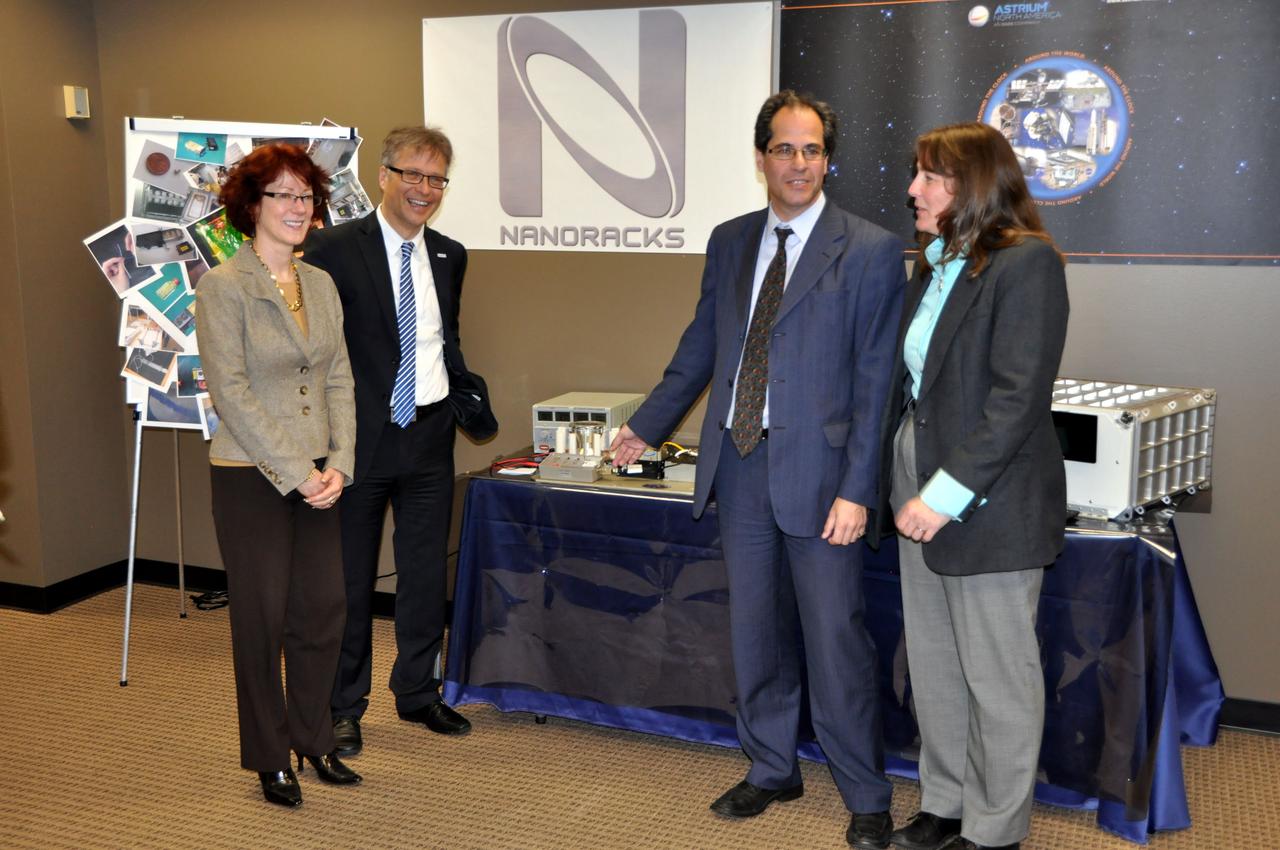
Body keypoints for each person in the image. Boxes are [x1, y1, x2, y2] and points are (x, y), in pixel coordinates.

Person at [610, 90, 905, 849]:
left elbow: (879, 385)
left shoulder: (869, 249)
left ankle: (866, 794)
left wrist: (857, 489)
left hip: (823, 478)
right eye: (784, 148)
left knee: (836, 639)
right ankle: (772, 766)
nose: (798, 163)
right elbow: (701, 347)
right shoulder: (731, 240)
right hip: (739, 464)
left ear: (828, 160)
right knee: (756, 633)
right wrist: (645, 427)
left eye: (811, 150)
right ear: (762, 156)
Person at [876, 122, 1069, 850]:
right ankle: (945, 804)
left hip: (983, 498)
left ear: (974, 185)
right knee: (935, 662)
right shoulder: (933, 264)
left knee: (996, 674)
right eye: (917, 175)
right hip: (914, 482)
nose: (912, 191)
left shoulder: (1028, 266)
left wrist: (942, 495)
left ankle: (993, 831)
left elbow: (1016, 401)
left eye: (929, 177)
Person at [304, 126, 481, 755]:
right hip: (357, 441)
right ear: (383, 176)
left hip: (430, 434)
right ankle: (344, 706)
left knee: (426, 572)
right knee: (351, 581)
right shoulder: (331, 249)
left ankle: (417, 694)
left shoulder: (450, 254)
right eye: (413, 174)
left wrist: (462, 393)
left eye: (436, 179)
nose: (424, 189)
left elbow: (442, 338)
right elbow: (317, 351)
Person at [198, 143, 360, 807]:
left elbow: (342, 377)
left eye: (305, 196)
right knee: (262, 620)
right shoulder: (222, 286)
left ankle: (315, 738)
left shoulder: (319, 283)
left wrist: (341, 462)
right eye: (283, 196)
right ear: (251, 206)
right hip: (250, 476)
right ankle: (270, 756)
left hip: (320, 474)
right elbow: (231, 394)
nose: (298, 208)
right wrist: (298, 471)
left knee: (325, 611)